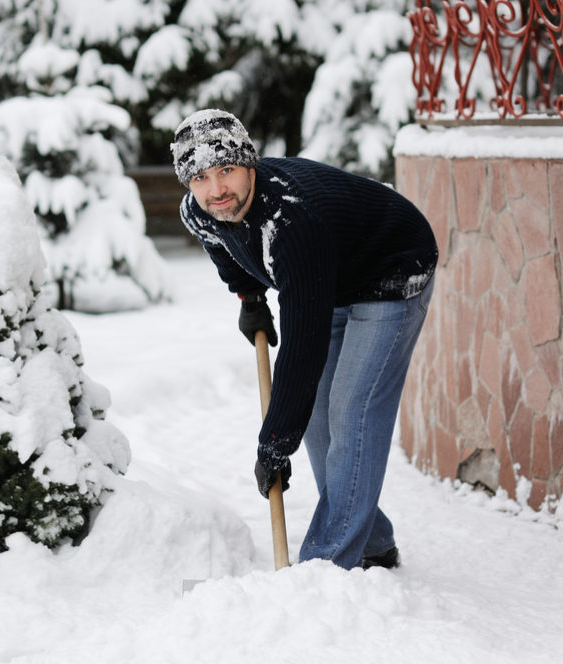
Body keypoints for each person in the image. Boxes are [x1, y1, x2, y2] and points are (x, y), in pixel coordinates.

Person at [170, 109, 437, 571]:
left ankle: (327, 568)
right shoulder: (202, 210)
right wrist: (249, 295)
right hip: (331, 275)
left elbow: (302, 349)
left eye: (227, 170)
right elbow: (223, 246)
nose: (216, 190)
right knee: (315, 414)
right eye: (201, 178)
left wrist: (274, 441)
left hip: (392, 266)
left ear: (248, 163)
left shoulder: (290, 222)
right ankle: (371, 538)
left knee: (353, 408)